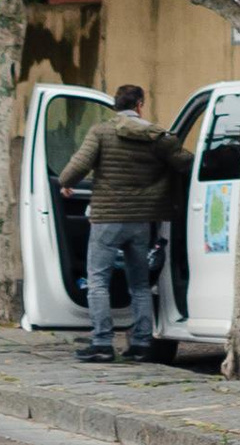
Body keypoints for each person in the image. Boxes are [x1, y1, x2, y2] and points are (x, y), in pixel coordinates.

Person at [56, 82, 180, 363]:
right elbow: (181, 162)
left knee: (98, 281)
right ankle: (142, 345)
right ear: (140, 105)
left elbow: (78, 166)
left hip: (107, 218)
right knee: (140, 285)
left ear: (116, 105)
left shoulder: (101, 131)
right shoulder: (155, 135)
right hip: (140, 220)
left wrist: (66, 182)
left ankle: (101, 343)